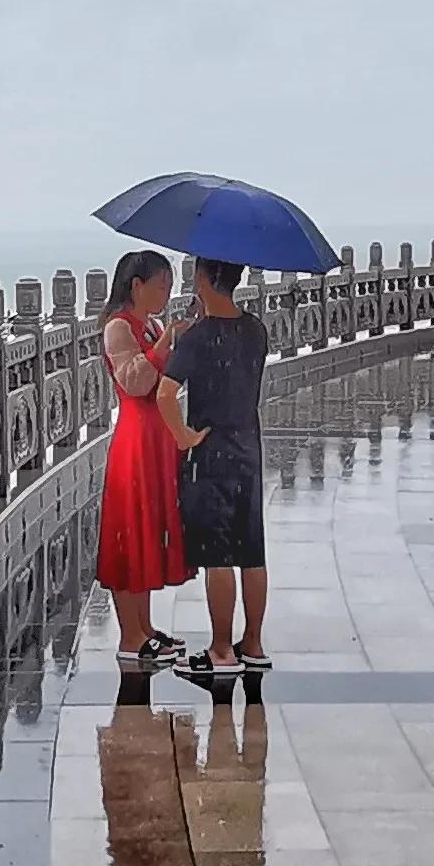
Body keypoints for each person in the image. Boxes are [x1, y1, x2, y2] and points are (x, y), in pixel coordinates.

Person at [167, 256, 272, 684]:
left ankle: (221, 649)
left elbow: (165, 393)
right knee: (252, 549)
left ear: (205, 280)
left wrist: (183, 437)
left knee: (218, 555)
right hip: (249, 444)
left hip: (211, 450)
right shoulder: (256, 330)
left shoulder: (196, 338)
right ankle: (254, 643)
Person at [93, 250, 192, 666]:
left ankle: (146, 628)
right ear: (137, 285)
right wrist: (167, 341)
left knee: (148, 530)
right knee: (129, 532)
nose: (166, 293)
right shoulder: (119, 327)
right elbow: (134, 383)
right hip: (135, 438)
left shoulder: (149, 325)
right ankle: (130, 636)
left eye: (169, 286)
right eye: (160, 285)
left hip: (157, 435)